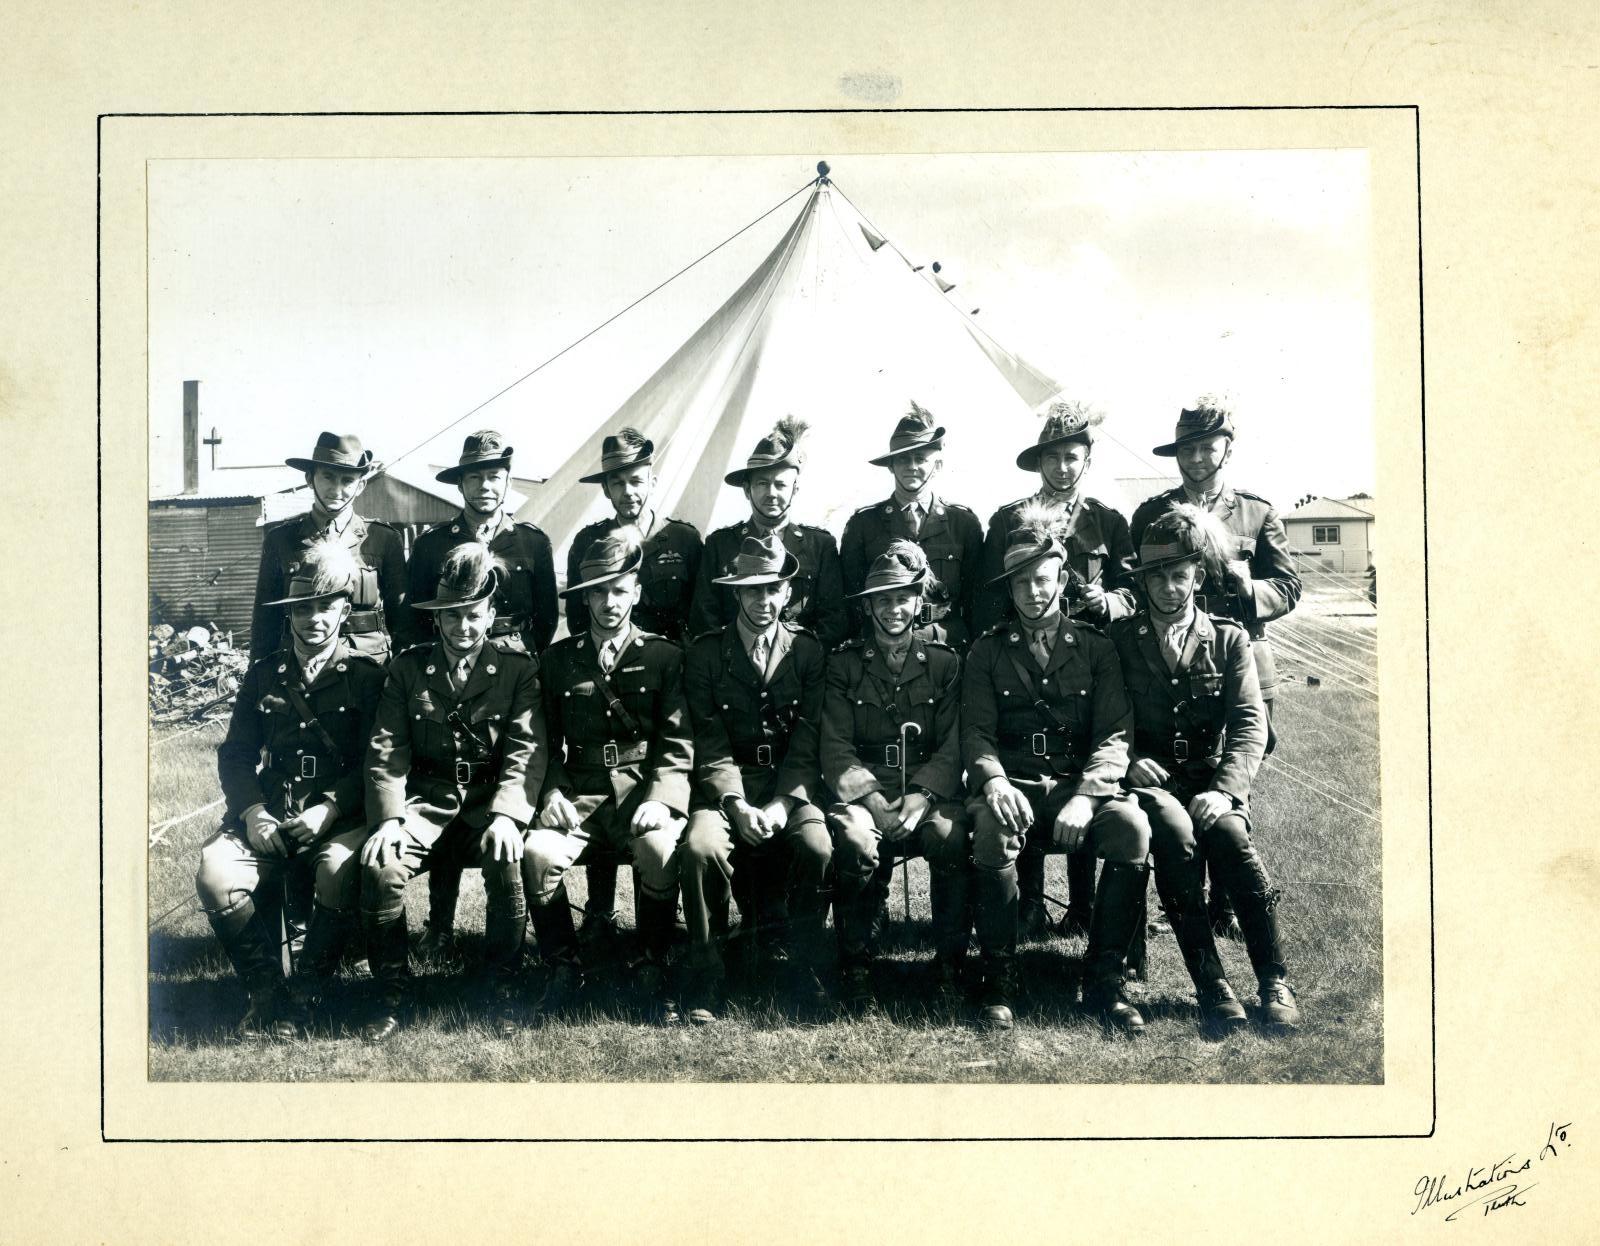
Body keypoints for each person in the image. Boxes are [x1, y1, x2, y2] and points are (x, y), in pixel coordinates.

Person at [1109, 504, 1301, 1032]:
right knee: (1175, 838)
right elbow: (1103, 720)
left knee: (1233, 840)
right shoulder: (1121, 643)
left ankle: (1273, 979)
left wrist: (1226, 790)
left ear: (1197, 576)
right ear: (1142, 580)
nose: (1169, 588)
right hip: (1152, 782)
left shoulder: (1229, 638)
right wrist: (1126, 761)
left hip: (1210, 777)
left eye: (1180, 576)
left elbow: (1248, 724)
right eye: (1158, 577)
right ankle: (1211, 983)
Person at [962, 502, 1150, 1033]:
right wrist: (994, 780)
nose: (1033, 593)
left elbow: (1115, 735)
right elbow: (975, 732)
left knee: (1132, 828)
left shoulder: (1096, 648)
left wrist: (1088, 797)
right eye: (1020, 583)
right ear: (1009, 587)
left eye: (1043, 580)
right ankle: (1000, 978)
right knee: (990, 828)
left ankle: (1106, 979)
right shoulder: (987, 652)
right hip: (1014, 786)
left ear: (1063, 578)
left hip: (1076, 787)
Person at [197, 538, 386, 1039]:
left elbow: (377, 761)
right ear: (289, 613)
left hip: (338, 819)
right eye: (303, 607)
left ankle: (305, 994)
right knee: (216, 874)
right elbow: (236, 754)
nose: (315, 618)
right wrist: (255, 812)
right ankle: (267, 995)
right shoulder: (265, 675)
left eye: (326, 606)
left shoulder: (368, 677)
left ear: (344, 609)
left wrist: (329, 809)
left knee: (336, 869)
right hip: (272, 814)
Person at [359, 543, 547, 1042]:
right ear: (437, 618)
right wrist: (389, 819)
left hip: (486, 806)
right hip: (425, 803)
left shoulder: (517, 671)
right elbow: (388, 747)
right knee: (382, 866)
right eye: (453, 616)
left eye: (474, 616)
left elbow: (526, 752)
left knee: (508, 857)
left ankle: (501, 985)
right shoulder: (407, 669)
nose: (463, 627)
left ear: (490, 615)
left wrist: (508, 815)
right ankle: (392, 992)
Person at [1130, 398, 1301, 935]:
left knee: (1231, 774)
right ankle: (1183, 898)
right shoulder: (1154, 512)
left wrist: (1249, 586)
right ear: (1175, 453)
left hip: (1241, 655)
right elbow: (1140, 583)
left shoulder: (1256, 513)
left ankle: (1226, 904)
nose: (1199, 458)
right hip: (1175, 660)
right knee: (1180, 772)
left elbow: (1290, 586)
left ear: (1228, 448)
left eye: (1208, 447)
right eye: (1188, 449)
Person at [974, 400, 1138, 942]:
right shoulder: (1008, 519)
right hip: (1021, 656)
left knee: (1081, 762)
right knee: (1026, 754)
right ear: (1038, 462)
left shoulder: (1108, 521)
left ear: (1086, 460)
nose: (1062, 467)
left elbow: (1133, 593)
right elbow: (989, 596)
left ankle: (1085, 906)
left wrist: (1103, 601)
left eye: (1072, 457)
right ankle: (1027, 907)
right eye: (1053, 458)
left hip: (1091, 661)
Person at [522, 532, 693, 1024]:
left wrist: (662, 799)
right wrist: (550, 789)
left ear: (636, 593)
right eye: (599, 591)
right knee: (537, 854)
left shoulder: (665, 656)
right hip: (579, 794)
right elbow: (540, 742)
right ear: (585, 597)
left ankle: (652, 963)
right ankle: (563, 966)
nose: (610, 602)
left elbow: (677, 742)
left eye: (620, 590)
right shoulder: (557, 661)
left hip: (642, 792)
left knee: (660, 849)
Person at [407, 429, 559, 955]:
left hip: (512, 682)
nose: (486, 486)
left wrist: (513, 665)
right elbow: (412, 620)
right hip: (447, 675)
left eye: (495, 475)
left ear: (507, 480)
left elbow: (546, 618)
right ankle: (440, 923)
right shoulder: (432, 545)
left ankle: (522, 921)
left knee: (511, 787)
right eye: (476, 476)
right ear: (462, 483)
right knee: (445, 781)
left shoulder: (532, 542)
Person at [678, 535, 832, 1023]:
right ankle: (708, 973)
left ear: (787, 592)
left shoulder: (807, 652)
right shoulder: (705, 653)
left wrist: (783, 805)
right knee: (701, 848)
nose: (762, 601)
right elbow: (707, 737)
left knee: (818, 848)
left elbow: (809, 737)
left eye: (772, 589)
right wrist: (736, 804)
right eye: (751, 590)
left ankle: (803, 965)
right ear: (735, 594)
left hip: (789, 784)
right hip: (728, 786)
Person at [565, 427, 703, 952]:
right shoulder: (588, 542)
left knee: (662, 795)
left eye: (636, 479)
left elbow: (696, 615)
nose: (628, 490)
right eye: (617, 482)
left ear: (653, 478)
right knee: (602, 782)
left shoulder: (682, 540)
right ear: (606, 489)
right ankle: (600, 910)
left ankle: (664, 913)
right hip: (608, 681)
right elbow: (582, 620)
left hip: (668, 682)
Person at [821, 541, 971, 1014]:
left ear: (917, 600)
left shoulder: (945, 662)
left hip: (925, 790)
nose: (893, 609)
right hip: (868, 792)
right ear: (867, 605)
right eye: (882, 599)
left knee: (950, 837)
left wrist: (923, 797)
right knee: (856, 843)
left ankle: (949, 966)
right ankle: (857, 966)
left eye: (902, 597)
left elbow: (952, 743)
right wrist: (872, 802)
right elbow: (836, 746)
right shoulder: (843, 664)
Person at [688, 416, 848, 648]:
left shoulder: (820, 545)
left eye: (781, 484)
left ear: (795, 489)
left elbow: (833, 621)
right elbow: (705, 619)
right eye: (762, 483)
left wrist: (800, 661)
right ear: (747, 490)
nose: (771, 493)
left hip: (799, 669)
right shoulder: (720, 545)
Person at [839, 401, 985, 649]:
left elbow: (975, 599)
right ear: (891, 466)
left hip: (947, 644)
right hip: (884, 646)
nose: (912, 467)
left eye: (920, 458)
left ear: (936, 465)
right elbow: (852, 600)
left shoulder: (963, 524)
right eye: (903, 459)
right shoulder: (863, 525)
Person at [250, 431, 405, 664]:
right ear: (310, 479)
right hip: (300, 662)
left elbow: (402, 618)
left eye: (347, 481)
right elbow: (265, 618)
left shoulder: (383, 538)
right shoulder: (280, 539)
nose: (337, 489)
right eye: (328, 477)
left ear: (361, 485)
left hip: (368, 663)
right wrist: (259, 674)